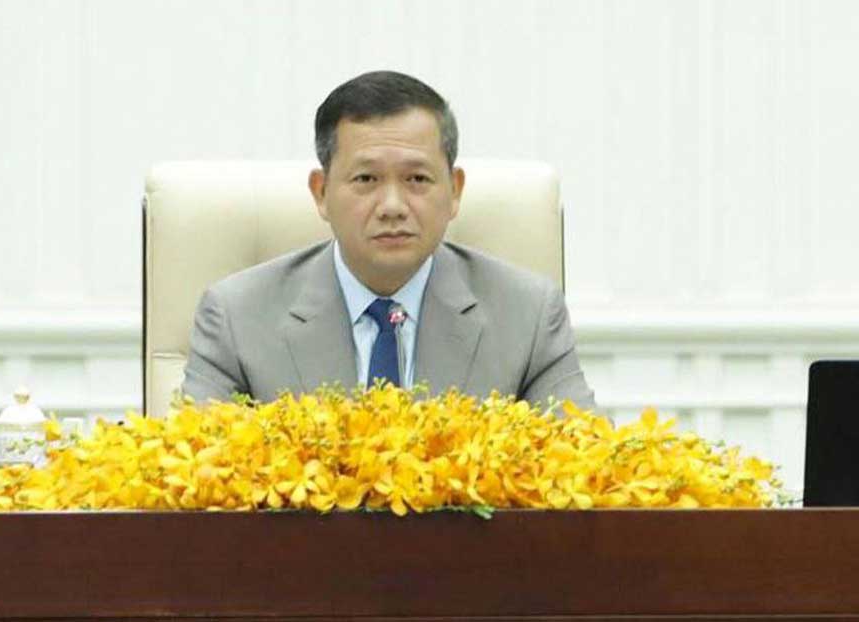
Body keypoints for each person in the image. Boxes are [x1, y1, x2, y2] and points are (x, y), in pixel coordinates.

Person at [182, 70, 596, 409]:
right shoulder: (237, 317)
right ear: (321, 192)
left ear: (454, 190)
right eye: (366, 179)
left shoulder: (528, 314)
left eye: (417, 179)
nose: (393, 206)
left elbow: (584, 461)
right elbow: (198, 471)